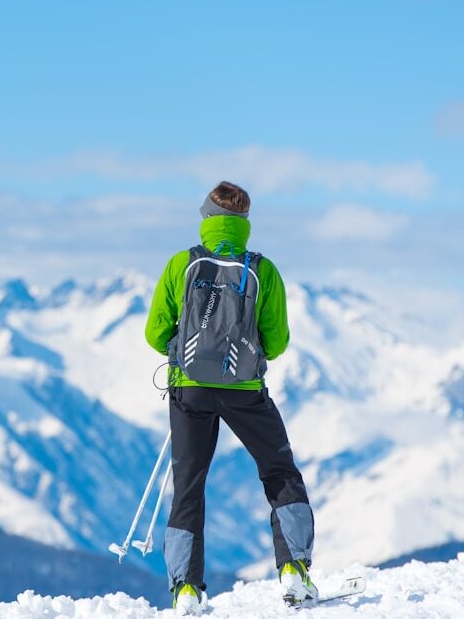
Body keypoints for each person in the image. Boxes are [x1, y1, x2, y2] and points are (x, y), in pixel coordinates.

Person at [144, 181, 315, 615]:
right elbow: (276, 341)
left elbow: (154, 333)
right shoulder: (263, 270)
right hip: (244, 391)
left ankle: (185, 589)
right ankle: (294, 568)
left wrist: (184, 351)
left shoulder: (181, 265)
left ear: (206, 218)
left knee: (189, 485)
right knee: (278, 471)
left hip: (189, 389)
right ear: (245, 223)